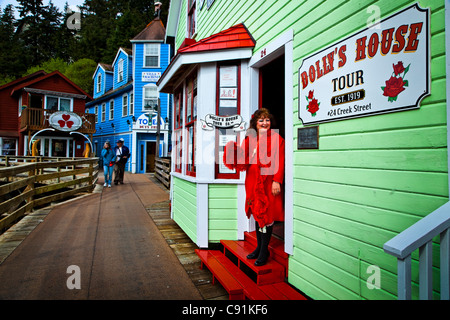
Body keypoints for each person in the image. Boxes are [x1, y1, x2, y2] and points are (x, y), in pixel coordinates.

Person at [223, 108, 285, 266]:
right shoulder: (250, 139)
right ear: (255, 124)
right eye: (261, 120)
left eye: (267, 120)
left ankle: (264, 250)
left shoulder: (277, 138)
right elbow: (243, 161)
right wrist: (233, 151)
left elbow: (280, 160)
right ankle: (259, 247)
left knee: (267, 215)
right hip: (252, 181)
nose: (265, 123)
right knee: (258, 214)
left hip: (268, 183)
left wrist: (277, 180)